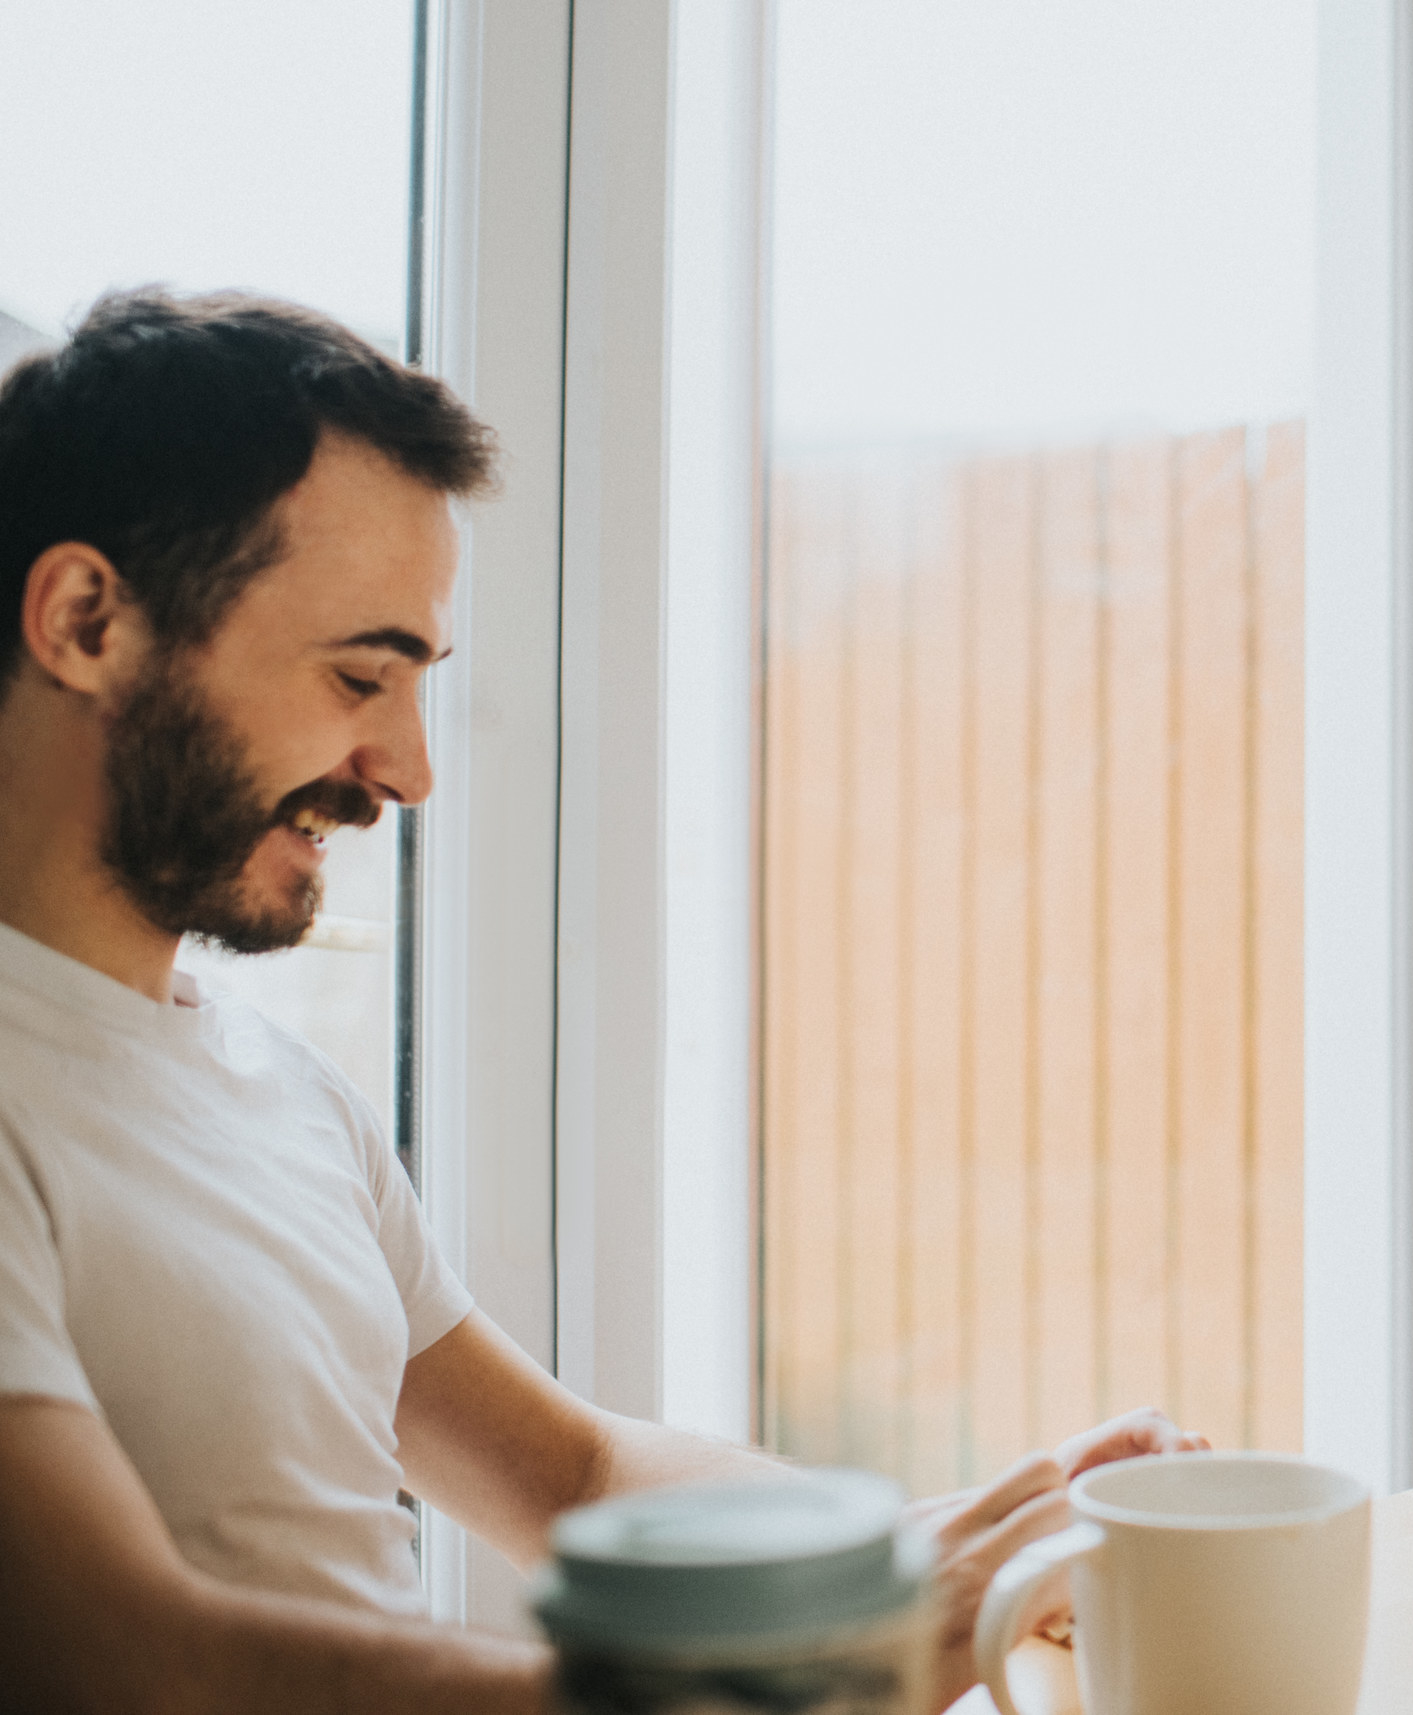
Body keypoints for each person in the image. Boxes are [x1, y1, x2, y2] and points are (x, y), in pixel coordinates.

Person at [0, 290, 1197, 1713]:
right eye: (359, 673)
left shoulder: (278, 1092)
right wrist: (774, 1686)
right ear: (87, 620)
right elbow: (135, 1658)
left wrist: (948, 1546)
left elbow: (574, 1471)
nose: (408, 766)